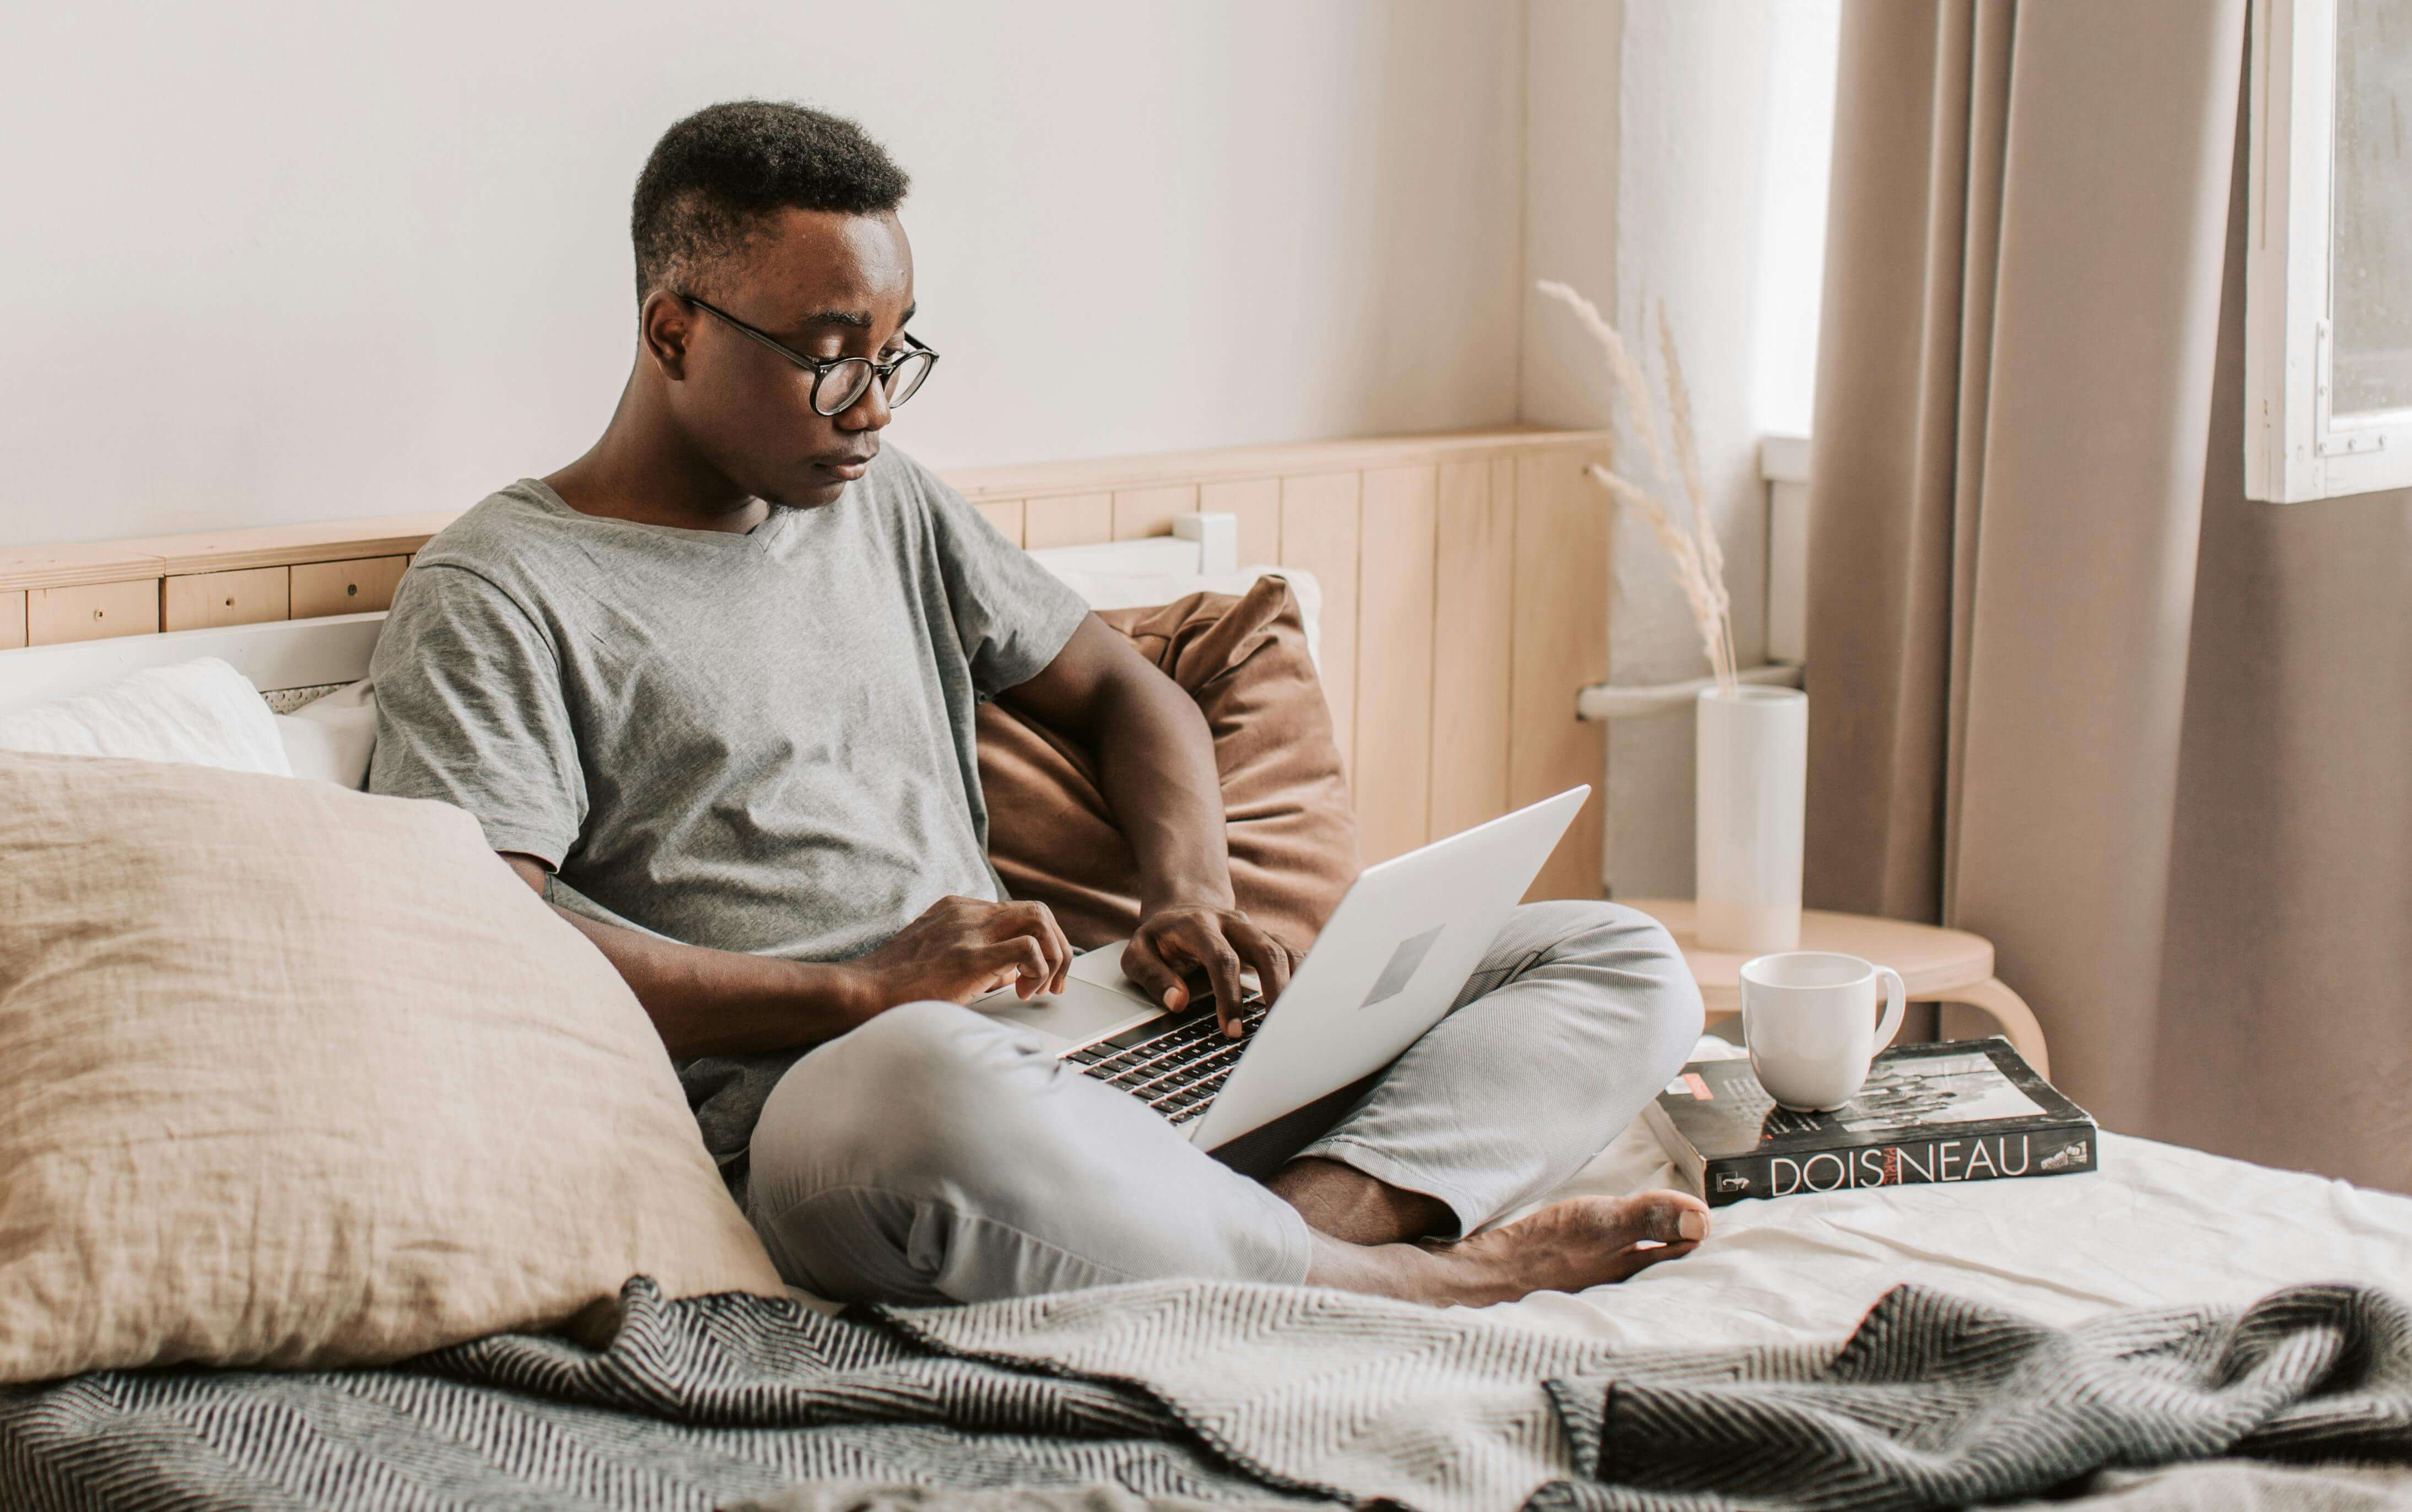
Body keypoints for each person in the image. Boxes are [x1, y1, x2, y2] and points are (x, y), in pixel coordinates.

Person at [368, 101, 1708, 1306]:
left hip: (1079, 1047)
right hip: (856, 1112)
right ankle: (1409, 1284)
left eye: (898, 354)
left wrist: (1189, 894)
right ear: (674, 330)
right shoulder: (505, 589)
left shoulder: (884, 500)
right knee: (927, 1083)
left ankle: (1302, 1242)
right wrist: (858, 991)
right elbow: (494, 943)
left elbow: (1134, 695)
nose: (875, 409)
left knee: (1611, 956)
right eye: (833, 355)